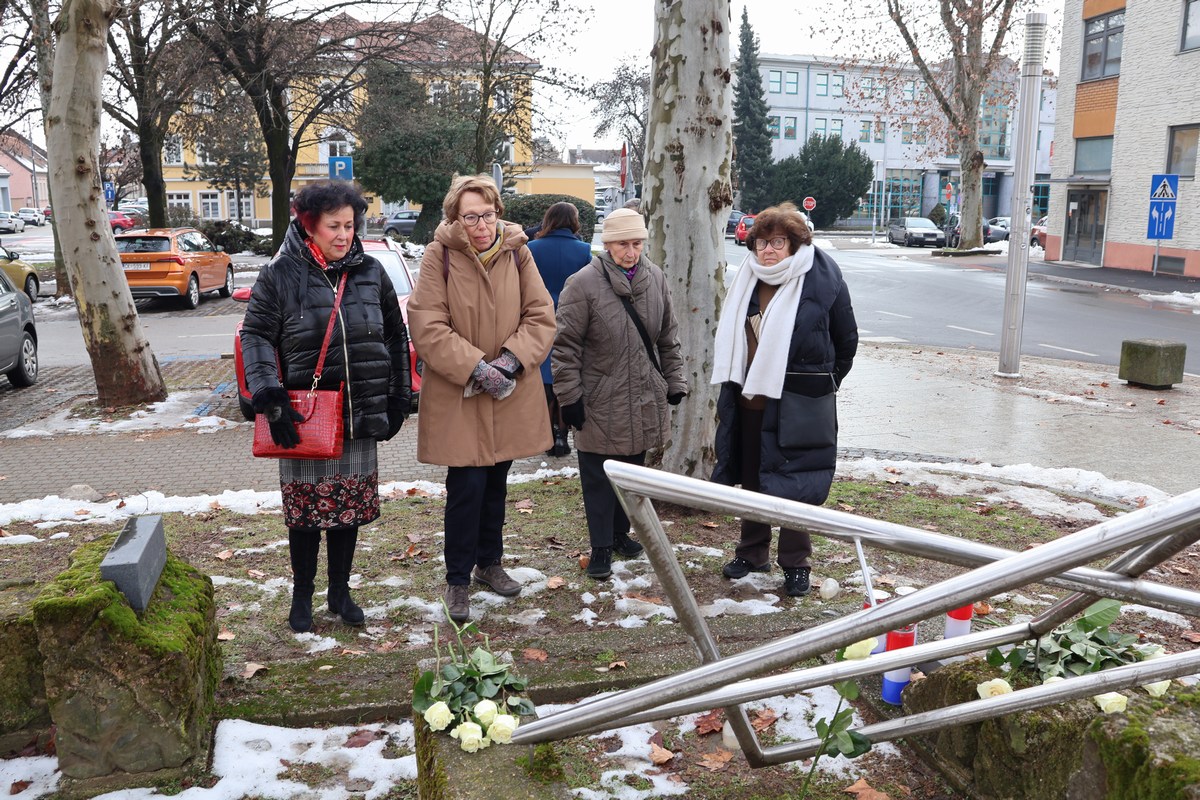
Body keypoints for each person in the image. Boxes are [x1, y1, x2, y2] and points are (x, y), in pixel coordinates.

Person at [241, 180, 412, 633]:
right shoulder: (280, 274)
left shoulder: (371, 271)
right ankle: (302, 595)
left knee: (345, 512)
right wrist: (269, 395)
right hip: (306, 418)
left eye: (350, 226)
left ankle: (340, 591)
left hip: (357, 415)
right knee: (305, 516)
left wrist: (399, 396)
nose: (343, 235)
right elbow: (255, 336)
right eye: (333, 226)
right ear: (309, 225)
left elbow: (396, 336)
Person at [407, 174, 556, 624]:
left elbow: (540, 314)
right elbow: (427, 323)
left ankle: (489, 562)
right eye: (470, 217)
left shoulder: (518, 252)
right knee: (466, 486)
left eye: (488, 215)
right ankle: (457, 578)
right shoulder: (438, 256)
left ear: (498, 213)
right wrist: (476, 367)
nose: (481, 225)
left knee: (496, 482)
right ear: (455, 218)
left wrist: (510, 362)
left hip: (509, 391)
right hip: (462, 394)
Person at [710, 202, 858, 598]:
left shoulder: (820, 281)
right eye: (761, 243)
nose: (768, 250)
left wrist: (821, 385)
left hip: (798, 402)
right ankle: (752, 551)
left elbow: (846, 340)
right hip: (748, 400)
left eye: (777, 242)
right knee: (752, 477)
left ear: (794, 243)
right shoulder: (747, 279)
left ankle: (795, 563)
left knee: (796, 483)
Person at [553, 208, 687, 580]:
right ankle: (600, 547)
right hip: (599, 398)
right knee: (598, 478)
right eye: (623, 244)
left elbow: (668, 338)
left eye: (637, 244)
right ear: (608, 244)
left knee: (630, 473)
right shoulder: (582, 284)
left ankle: (619, 534)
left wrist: (675, 382)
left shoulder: (655, 278)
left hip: (643, 395)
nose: (631, 252)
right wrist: (569, 398)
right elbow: (565, 349)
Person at [526, 202, 592, 457]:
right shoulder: (583, 250)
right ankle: (563, 436)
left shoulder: (532, 249)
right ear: (573, 221)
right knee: (565, 379)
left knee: (545, 381)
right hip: (573, 320)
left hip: (538, 320)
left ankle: (547, 436)